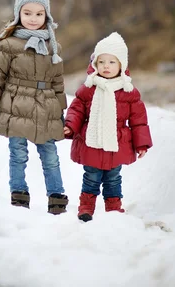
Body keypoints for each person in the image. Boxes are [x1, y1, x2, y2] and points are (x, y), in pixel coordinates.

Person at [0, 0, 68, 214]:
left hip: (46, 108)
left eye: (39, 14)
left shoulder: (52, 46)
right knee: (18, 155)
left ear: (46, 15)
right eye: (27, 13)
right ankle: (19, 196)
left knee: (50, 157)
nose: (32, 18)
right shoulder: (8, 44)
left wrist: (61, 110)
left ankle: (57, 198)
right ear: (19, 13)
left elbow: (57, 80)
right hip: (15, 106)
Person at [63, 32, 153, 222]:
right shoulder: (88, 88)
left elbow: (139, 121)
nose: (106, 66)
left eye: (112, 62)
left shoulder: (129, 91)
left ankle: (113, 207)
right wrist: (70, 126)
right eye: (101, 61)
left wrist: (141, 144)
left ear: (122, 65)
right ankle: (86, 207)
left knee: (113, 178)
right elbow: (77, 109)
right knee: (91, 177)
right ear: (95, 64)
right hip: (92, 143)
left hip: (117, 143)